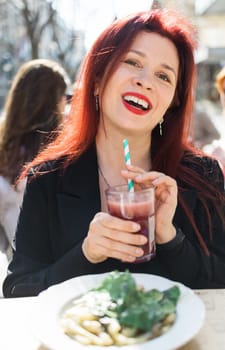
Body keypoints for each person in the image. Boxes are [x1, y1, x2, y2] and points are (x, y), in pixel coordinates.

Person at [3, 9, 225, 298]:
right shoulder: (46, 178)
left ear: (172, 103)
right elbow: (18, 290)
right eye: (132, 62)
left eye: (163, 76)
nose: (145, 81)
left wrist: (169, 238)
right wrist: (86, 254)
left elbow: (220, 279)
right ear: (97, 80)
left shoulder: (203, 175)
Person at [0, 58, 69, 295]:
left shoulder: (4, 148)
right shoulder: (62, 152)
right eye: (63, 95)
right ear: (51, 101)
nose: (65, 103)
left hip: (24, 279)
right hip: (64, 274)